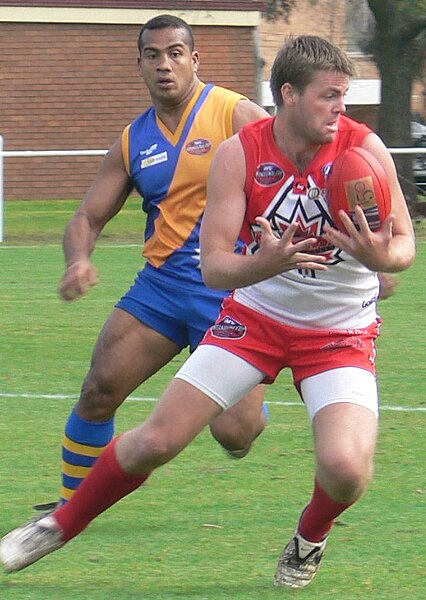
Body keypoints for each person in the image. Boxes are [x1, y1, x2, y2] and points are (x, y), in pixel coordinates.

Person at [0, 34, 415, 591]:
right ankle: (54, 527)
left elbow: (403, 247)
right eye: (330, 96)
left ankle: (311, 534)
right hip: (255, 322)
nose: (342, 108)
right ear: (289, 94)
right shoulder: (241, 152)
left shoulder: (365, 152)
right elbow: (217, 268)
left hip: (338, 332)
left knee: (345, 469)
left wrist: (379, 254)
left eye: (343, 96)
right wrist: (266, 263)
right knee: (155, 440)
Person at [30, 13, 269, 512]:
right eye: (153, 55)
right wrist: (78, 260)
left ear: (194, 59)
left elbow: (296, 175)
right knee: (98, 388)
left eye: (175, 53)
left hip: (229, 296)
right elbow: (87, 217)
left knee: (234, 434)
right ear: (139, 65)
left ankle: (253, 409)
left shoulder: (235, 113)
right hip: (160, 290)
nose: (165, 65)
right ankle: (69, 509)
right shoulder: (132, 141)